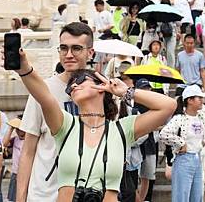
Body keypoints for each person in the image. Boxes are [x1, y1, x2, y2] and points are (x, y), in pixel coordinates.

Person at [10, 51, 176, 202]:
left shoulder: (121, 130)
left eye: (81, 80)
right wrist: (24, 68)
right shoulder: (65, 124)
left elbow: (168, 106)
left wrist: (125, 92)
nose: (74, 86)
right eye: (71, 86)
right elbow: (44, 95)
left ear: (101, 86)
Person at [17, 22, 92, 202]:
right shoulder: (42, 90)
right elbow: (28, 151)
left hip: (86, 193)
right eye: (63, 48)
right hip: (43, 194)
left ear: (90, 52)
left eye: (76, 49)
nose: (68, 55)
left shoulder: (100, 91)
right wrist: (20, 198)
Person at [160, 85, 205, 202]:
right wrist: (181, 143)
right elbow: (164, 134)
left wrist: (201, 144)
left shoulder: (202, 117)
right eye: (199, 98)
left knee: (197, 196)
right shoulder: (179, 118)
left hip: (197, 158)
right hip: (183, 159)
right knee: (181, 196)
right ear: (190, 100)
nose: (202, 101)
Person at [3, 117, 25, 202]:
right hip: (15, 173)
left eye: (21, 129)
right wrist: (10, 128)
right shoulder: (15, 139)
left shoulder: (31, 140)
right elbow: (4, 144)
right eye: (17, 129)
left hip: (27, 174)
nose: (19, 131)